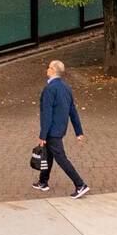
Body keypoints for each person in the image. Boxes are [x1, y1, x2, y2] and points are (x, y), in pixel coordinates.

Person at [34, 58, 89, 197]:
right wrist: (78, 131)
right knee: (48, 155)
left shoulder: (49, 89)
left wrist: (42, 135)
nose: (47, 69)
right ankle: (43, 182)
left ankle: (80, 184)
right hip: (60, 128)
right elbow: (72, 110)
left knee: (61, 158)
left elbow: (47, 114)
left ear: (52, 71)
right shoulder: (66, 87)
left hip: (52, 131)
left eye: (48, 67)